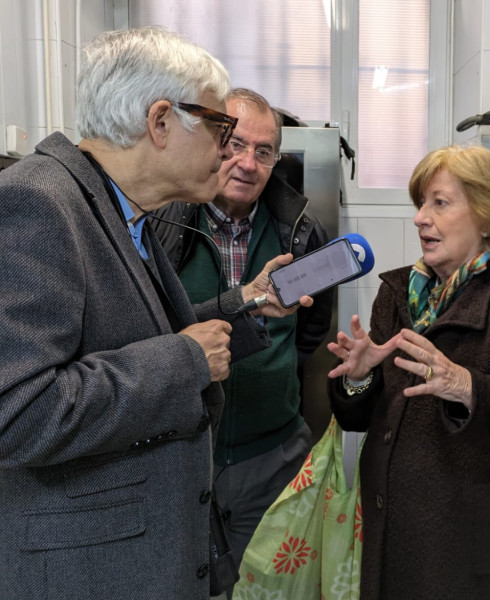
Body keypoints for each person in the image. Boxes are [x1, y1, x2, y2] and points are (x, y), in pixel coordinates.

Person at [0, 27, 311, 599]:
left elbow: (132, 331)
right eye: (221, 128)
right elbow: (18, 414)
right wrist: (186, 360)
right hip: (88, 569)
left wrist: (243, 304)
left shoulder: (126, 210)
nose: (228, 151)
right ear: (161, 121)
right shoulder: (39, 202)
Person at [326, 144, 490, 599]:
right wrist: (358, 378)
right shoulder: (400, 293)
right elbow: (359, 420)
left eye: (439, 203)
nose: (421, 217)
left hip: (467, 558)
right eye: (421, 203)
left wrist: (468, 388)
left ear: (486, 215)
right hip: (390, 536)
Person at [153, 88, 333, 575]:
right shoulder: (163, 223)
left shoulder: (301, 231)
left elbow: (311, 331)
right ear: (212, 141)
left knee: (275, 587)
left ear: (277, 160)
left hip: (275, 458)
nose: (247, 163)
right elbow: (149, 328)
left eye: (264, 151)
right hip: (181, 459)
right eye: (234, 144)